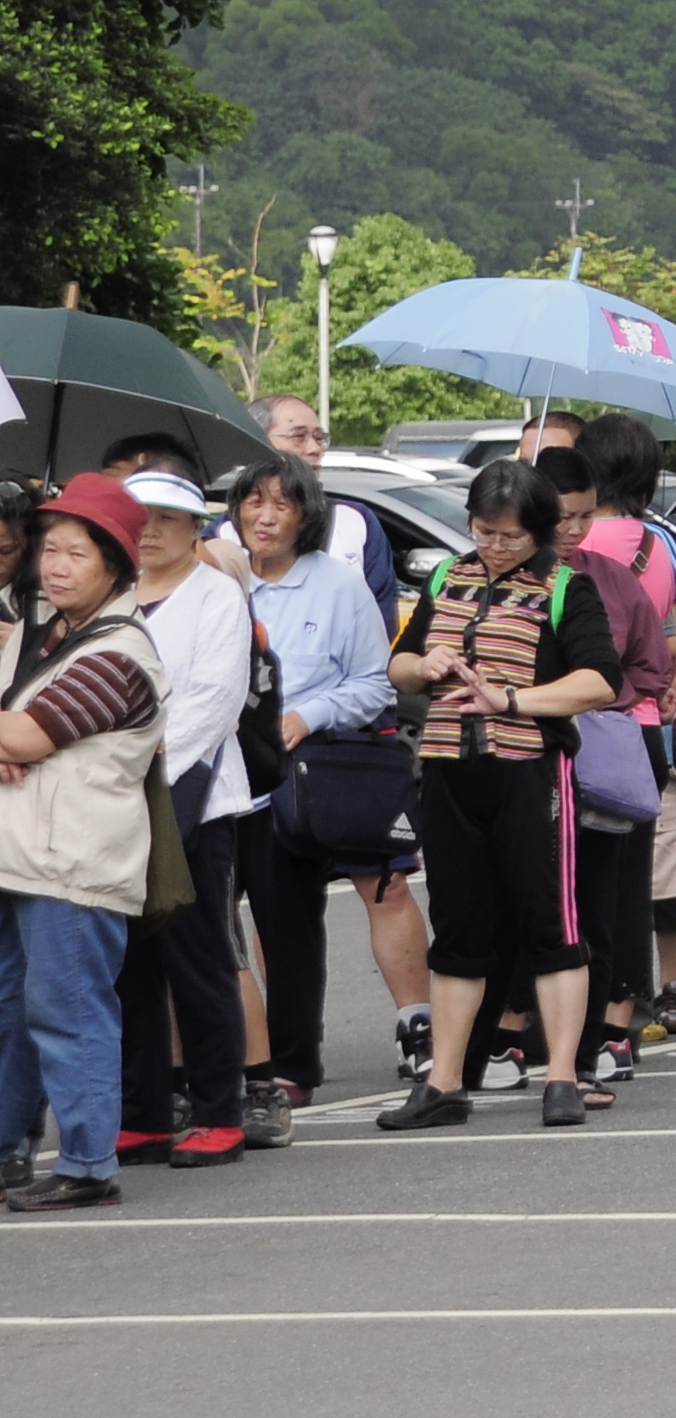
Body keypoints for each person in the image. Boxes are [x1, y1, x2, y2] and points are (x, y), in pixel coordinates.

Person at [376, 460, 626, 1131]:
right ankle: (445, 1082)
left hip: (531, 773)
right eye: (484, 532)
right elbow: (399, 661)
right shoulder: (446, 576)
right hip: (450, 771)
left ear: (539, 532)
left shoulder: (565, 586)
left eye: (511, 537)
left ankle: (564, 1077)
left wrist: (512, 699)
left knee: (551, 925)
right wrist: (421, 667)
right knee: (457, 929)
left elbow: (601, 679)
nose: (494, 547)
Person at [0, 474, 167, 1208]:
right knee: (12, 1012)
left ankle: (90, 1164)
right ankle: (9, 1150)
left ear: (116, 565)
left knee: (68, 1012)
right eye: (50, 550)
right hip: (20, 856)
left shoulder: (121, 654)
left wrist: (12, 737)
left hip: (72, 864)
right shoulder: (39, 627)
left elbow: (28, 734)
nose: (55, 566)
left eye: (77, 553)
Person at [226, 450, 393, 1139]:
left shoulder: (336, 585)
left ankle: (293, 1064)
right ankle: (215, 1066)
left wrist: (308, 714)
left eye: (281, 505)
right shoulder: (214, 574)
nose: (264, 516)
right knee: (202, 935)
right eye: (253, 501)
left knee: (286, 931)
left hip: (282, 784)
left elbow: (375, 685)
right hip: (208, 781)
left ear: (306, 516)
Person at [114, 452, 255, 1169]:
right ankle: (139, 1113)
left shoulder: (217, 595)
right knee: (128, 966)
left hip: (191, 800)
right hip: (108, 803)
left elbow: (213, 702)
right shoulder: (111, 594)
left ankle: (219, 1110)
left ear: (197, 528)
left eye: (170, 520)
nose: (152, 532)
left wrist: (137, 755)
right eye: (142, 519)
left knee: (197, 956)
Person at [554, 423, 676, 1088]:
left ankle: (582, 1030)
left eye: (579, 516)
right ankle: (606, 1028)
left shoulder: (585, 565)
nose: (573, 529)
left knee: (588, 891)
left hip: (588, 742)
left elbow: (658, 654)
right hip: (623, 736)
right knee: (608, 893)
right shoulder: (656, 547)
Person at [244, 394, 396, 615]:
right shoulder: (222, 535)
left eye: (319, 437)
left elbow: (380, 619)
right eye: (299, 436)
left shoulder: (355, 522)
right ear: (256, 440)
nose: (315, 449)